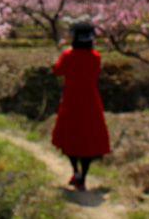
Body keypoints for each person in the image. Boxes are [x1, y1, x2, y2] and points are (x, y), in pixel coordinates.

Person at [51, 20, 111, 191]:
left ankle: (75, 171)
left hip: (71, 100)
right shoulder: (96, 57)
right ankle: (83, 177)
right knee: (88, 138)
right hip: (91, 101)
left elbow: (57, 70)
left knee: (70, 137)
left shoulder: (68, 56)